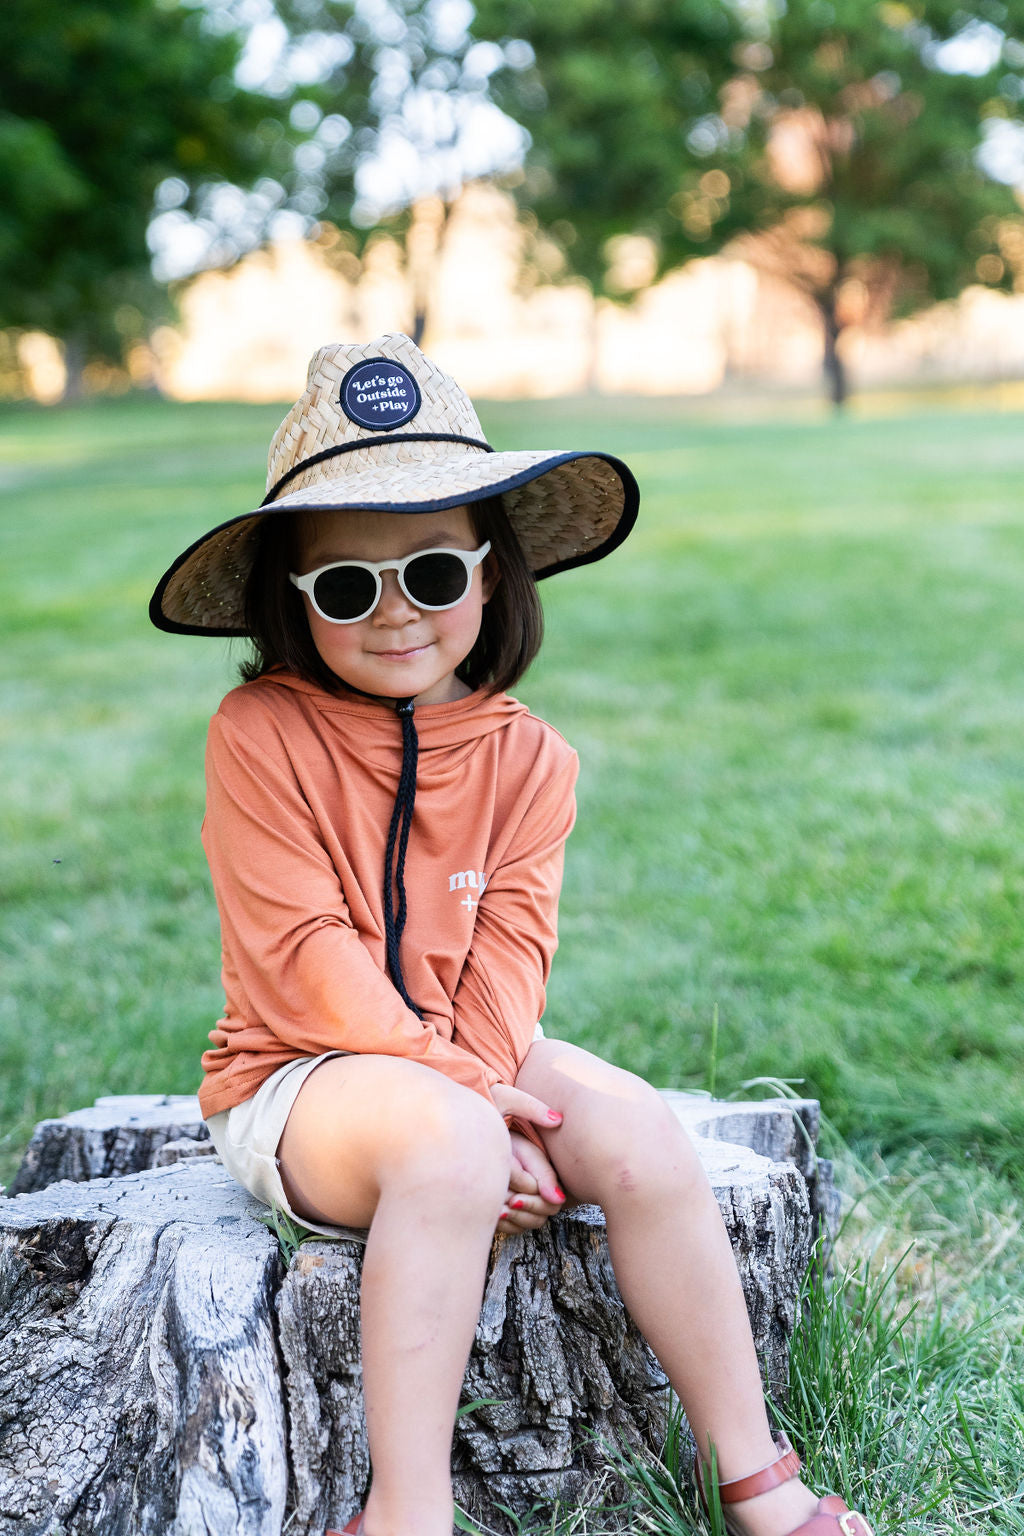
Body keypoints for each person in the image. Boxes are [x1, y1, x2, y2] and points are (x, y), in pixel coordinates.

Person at [149, 335, 873, 1536]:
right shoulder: (258, 734)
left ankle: (748, 1468)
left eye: (432, 573)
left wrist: (484, 1084)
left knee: (636, 1128)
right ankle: (409, 1510)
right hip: (300, 1073)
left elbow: (509, 964)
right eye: (345, 586)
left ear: (491, 579)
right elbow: (304, 959)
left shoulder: (531, 757)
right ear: (294, 601)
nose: (394, 615)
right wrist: (474, 1107)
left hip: (458, 1058)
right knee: (442, 1142)